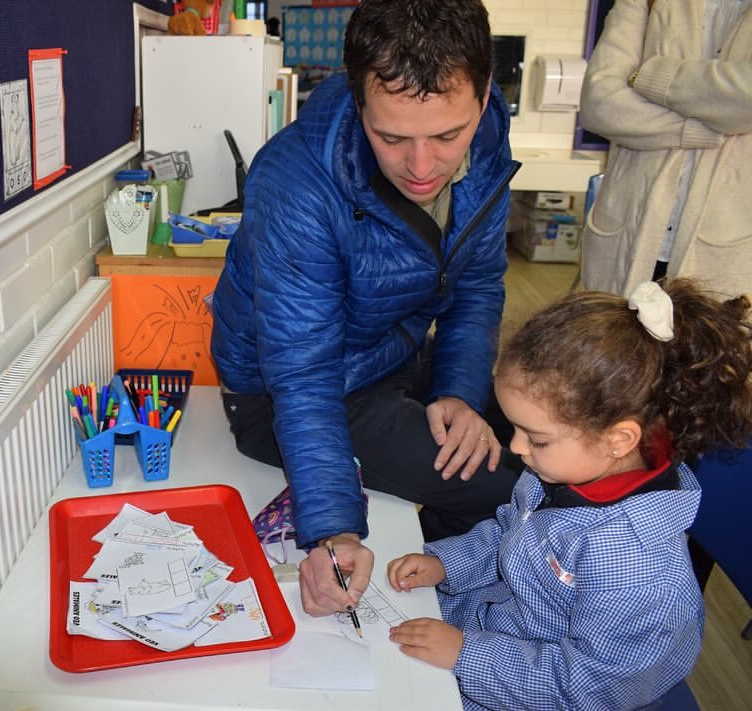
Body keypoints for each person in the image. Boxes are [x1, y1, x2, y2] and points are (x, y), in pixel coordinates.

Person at [209, 0, 521, 620]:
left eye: (447, 136)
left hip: (391, 352)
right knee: (511, 490)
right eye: (392, 137)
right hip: (288, 395)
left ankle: (451, 571)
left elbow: (478, 284)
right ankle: (462, 614)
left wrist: (458, 392)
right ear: (358, 102)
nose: (422, 167)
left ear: (484, 97)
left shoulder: (487, 138)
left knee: (551, 445)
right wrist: (333, 531)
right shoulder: (294, 181)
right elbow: (303, 375)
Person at [386, 279, 752, 710]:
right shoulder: (565, 470)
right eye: (515, 428)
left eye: (536, 438)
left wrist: (467, 655)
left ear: (618, 440)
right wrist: (447, 564)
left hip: (534, 688)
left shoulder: (639, 574)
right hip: (494, 632)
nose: (517, 447)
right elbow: (508, 532)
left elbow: (584, 689)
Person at [578, 0, 752, 299]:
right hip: (625, 240)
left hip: (724, 253)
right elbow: (600, 103)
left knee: (712, 329)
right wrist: (702, 126)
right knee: (613, 328)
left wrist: (652, 75)